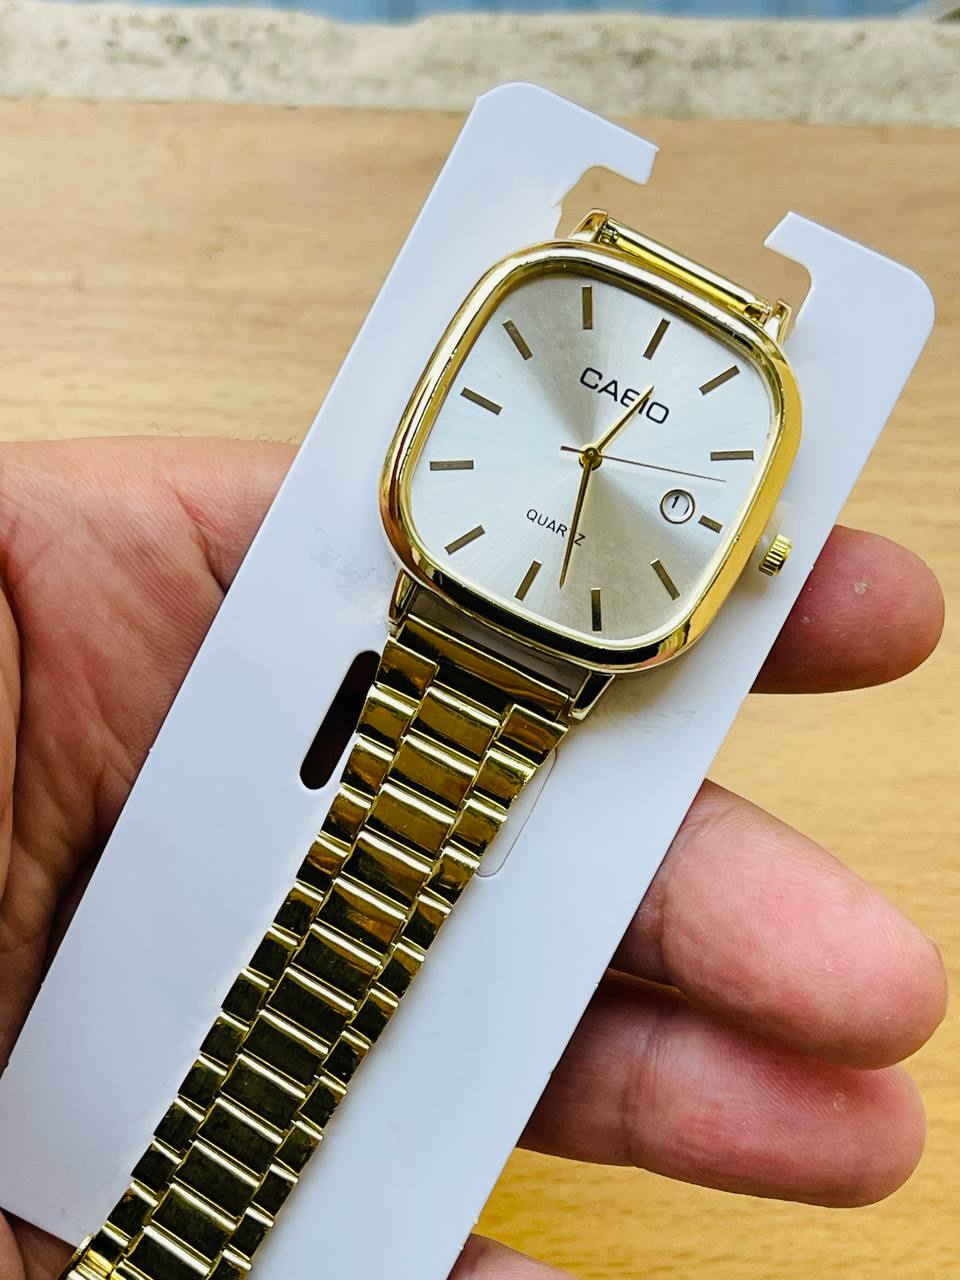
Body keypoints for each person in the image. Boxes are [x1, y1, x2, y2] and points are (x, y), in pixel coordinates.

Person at [0, 437, 947, 1280]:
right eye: (584, 442)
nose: (593, 456)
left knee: (330, 989)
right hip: (448, 623)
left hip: (536, 666)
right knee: (306, 976)